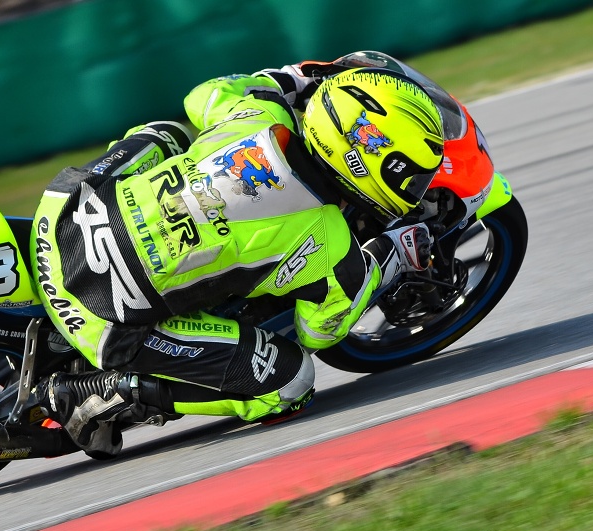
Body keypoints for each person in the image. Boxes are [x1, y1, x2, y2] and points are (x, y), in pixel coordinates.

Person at [31, 51, 445, 457]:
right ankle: (104, 395)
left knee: (168, 134)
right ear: (364, 159)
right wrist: (394, 254)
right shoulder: (331, 242)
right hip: (101, 320)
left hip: (61, 214)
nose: (416, 190)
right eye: (412, 178)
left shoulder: (261, 112)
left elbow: (202, 96)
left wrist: (294, 78)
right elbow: (318, 332)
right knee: (291, 383)